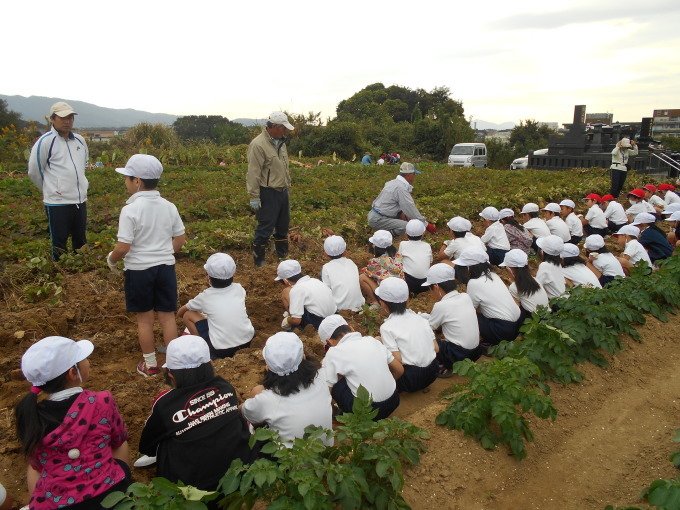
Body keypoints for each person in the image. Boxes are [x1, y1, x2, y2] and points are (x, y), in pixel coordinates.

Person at [16, 336, 130, 509]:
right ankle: (123, 489)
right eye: (82, 359)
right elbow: (118, 439)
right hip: (108, 495)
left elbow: (38, 464)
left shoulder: (31, 416)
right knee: (120, 443)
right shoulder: (101, 401)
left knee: (34, 466)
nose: (87, 362)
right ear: (72, 373)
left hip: (58, 503)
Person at [139, 336, 254, 493]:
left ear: (171, 376)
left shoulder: (165, 404)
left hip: (193, 488)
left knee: (163, 439)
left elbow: (147, 447)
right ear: (211, 364)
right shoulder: (225, 387)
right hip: (237, 477)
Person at [107, 154, 186, 377]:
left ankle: (150, 365)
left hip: (139, 271)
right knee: (167, 316)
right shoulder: (169, 206)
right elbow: (179, 240)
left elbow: (123, 246)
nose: (126, 182)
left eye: (127, 178)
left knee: (145, 319)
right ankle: (173, 363)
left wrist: (111, 260)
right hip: (165, 268)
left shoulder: (130, 210)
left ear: (138, 181)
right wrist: (162, 253)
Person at [241, 332, 333, 447]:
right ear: (304, 357)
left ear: (268, 367)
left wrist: (256, 395)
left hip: (291, 462)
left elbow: (243, 413)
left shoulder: (267, 400)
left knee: (256, 426)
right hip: (326, 453)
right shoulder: (322, 376)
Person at [27, 102, 89, 261]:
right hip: (57, 203)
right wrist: (51, 189)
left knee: (80, 241)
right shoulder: (46, 141)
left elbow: (83, 165)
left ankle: (81, 271)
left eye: (70, 117)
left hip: (80, 200)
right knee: (59, 243)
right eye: (62, 117)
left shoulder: (80, 141)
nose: (67, 121)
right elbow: (34, 171)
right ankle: (61, 273)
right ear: (53, 119)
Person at [318, 315, 403, 420]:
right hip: (394, 400)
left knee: (332, 379)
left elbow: (326, 391)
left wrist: (331, 407)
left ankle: (337, 413)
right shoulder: (372, 341)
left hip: (368, 411)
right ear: (352, 329)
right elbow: (399, 370)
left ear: (329, 342)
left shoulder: (333, 353)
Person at [177, 253, 254, 359]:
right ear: (233, 274)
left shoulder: (205, 296)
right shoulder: (239, 289)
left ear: (208, 277)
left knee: (188, 314)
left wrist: (180, 316)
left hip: (221, 350)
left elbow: (182, 311)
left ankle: (204, 349)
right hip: (248, 342)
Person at [246, 112, 295, 267]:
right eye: (283, 128)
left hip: (282, 191)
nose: (285, 132)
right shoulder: (258, 144)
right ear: (273, 126)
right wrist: (254, 196)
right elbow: (253, 172)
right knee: (265, 228)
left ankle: (283, 258)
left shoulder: (281, 142)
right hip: (268, 192)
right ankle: (259, 263)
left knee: (282, 226)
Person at [375, 278, 438, 393]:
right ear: (407, 299)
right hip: (433, 372)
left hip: (411, 379)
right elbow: (436, 348)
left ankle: (397, 388)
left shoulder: (387, 327)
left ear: (383, 303)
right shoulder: (420, 319)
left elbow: (397, 359)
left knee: (382, 353)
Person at [422, 264, 483, 378]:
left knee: (428, 338)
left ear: (436, 287)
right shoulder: (465, 297)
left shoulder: (441, 305)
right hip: (475, 352)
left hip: (458, 355)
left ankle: (441, 365)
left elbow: (428, 328)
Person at [453, 248, 521, 347]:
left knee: (469, 315)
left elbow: (471, 310)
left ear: (469, 268)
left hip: (502, 330)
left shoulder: (474, 283)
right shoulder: (493, 275)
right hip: (517, 325)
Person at [367, 162, 435, 237]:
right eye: (414, 174)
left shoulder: (391, 182)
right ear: (409, 175)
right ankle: (384, 237)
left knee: (403, 218)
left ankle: (383, 236)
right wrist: (426, 224)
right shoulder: (401, 188)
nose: (414, 177)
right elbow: (410, 209)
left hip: (375, 215)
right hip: (379, 219)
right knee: (408, 226)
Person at [277, 259, 337, 331]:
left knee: (286, 292)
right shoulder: (315, 280)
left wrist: (287, 321)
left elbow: (296, 320)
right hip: (334, 317)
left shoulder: (296, 289)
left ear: (285, 280)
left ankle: (297, 327)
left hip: (318, 323)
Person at [499, 249, 549, 323]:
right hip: (547, 315)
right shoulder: (535, 280)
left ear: (509, 269)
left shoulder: (514, 287)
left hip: (534, 320)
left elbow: (516, 308)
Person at [359, 230, 403, 306]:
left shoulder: (375, 262)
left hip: (387, 296)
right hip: (401, 293)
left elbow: (366, 272)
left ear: (374, 246)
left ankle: (376, 302)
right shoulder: (398, 256)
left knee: (362, 277)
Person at [321, 235, 365, 312]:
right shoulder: (351, 262)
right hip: (360, 306)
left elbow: (326, 290)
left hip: (340, 309)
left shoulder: (326, 268)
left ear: (325, 254)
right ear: (345, 252)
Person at [397, 219, 433, 294]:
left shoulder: (403, 244)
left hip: (409, 283)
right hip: (426, 283)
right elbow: (430, 264)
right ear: (423, 233)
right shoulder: (427, 246)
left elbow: (398, 260)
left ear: (406, 233)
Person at [535, 235, 566, 300]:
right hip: (564, 299)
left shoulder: (545, 265)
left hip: (557, 303)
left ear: (543, 251)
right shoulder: (558, 263)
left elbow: (537, 286)